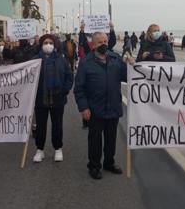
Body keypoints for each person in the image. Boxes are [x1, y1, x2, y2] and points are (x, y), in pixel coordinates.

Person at [74, 31, 127, 180]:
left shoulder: (116, 59)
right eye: (100, 42)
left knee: (111, 140)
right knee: (95, 140)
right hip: (94, 109)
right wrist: (83, 107)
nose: (103, 44)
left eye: (105, 41)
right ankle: (94, 166)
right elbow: (79, 88)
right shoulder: (86, 62)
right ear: (93, 44)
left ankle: (109, 163)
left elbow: (128, 76)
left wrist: (131, 65)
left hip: (113, 107)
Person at [32, 34, 73, 163]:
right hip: (40, 99)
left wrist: (64, 91)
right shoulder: (35, 60)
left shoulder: (61, 60)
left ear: (54, 45)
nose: (48, 45)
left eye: (50, 42)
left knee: (57, 125)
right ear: (41, 45)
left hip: (57, 99)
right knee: (40, 126)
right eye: (45, 43)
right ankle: (40, 150)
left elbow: (69, 76)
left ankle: (58, 149)